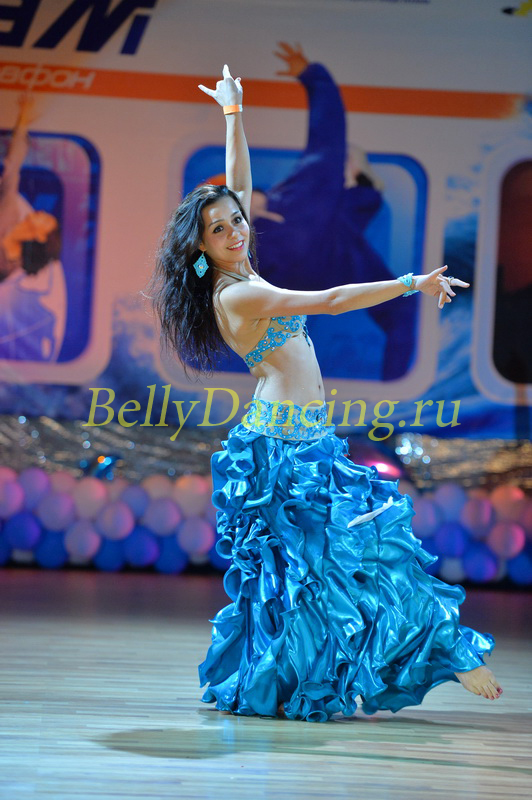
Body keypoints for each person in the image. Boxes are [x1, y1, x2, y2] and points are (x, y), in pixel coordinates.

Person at [150, 66, 502, 723]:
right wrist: (410, 283)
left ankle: (409, 653)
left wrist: (233, 113)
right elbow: (334, 299)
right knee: (334, 561)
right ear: (200, 246)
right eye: (220, 230)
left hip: (307, 440)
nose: (237, 231)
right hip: (282, 453)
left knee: (340, 559)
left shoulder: (241, 263)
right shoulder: (239, 293)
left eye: (237, 221)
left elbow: (238, 182)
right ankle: (445, 650)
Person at [0, 94, 66, 361]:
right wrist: (23, 120)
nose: (41, 213)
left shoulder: (13, 269)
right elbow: (12, 168)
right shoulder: (10, 213)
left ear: (40, 235)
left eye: (46, 220)